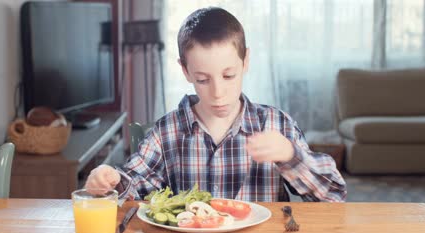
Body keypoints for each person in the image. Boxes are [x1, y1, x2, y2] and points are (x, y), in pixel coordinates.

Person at [85, 7, 347, 202]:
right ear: (186, 71)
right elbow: (134, 182)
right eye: (202, 79)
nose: (218, 93)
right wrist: (111, 179)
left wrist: (291, 155)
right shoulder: (167, 132)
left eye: (228, 75)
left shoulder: (275, 124)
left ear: (245, 62)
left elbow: (333, 196)